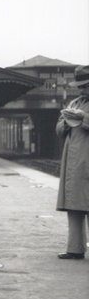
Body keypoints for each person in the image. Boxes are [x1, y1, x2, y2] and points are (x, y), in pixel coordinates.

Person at [55, 65, 89, 260]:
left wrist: (83, 118)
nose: (82, 90)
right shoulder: (75, 103)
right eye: (80, 87)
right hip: (74, 162)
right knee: (74, 205)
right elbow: (59, 129)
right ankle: (75, 248)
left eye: (85, 86)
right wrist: (65, 122)